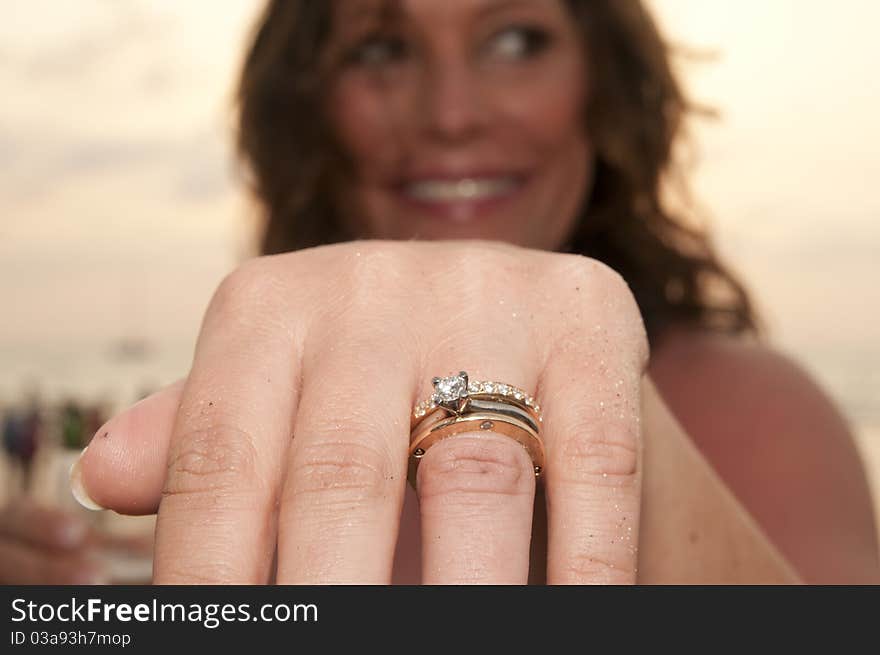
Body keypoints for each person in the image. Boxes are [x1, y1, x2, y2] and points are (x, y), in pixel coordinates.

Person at [69, 0, 878, 584]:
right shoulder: (243, 423)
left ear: (602, 88)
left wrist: (629, 441)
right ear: (310, 108)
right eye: (383, 49)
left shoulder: (758, 412)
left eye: (516, 39)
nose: (451, 114)